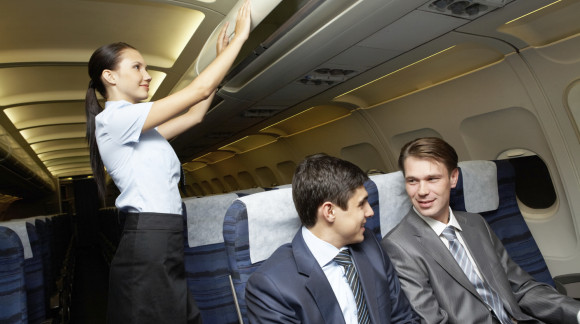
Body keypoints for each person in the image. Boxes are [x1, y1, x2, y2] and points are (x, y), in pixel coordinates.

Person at [84, 2, 251, 323]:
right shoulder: (114, 121)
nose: (146, 75)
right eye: (137, 67)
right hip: (148, 238)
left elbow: (196, 113)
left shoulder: (141, 129)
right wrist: (240, 39)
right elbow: (198, 89)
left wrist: (220, 61)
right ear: (110, 76)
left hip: (163, 236)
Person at [381, 137, 580, 324]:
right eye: (413, 181)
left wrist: (577, 313)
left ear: (453, 178)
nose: (422, 191)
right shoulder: (399, 246)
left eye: (432, 179)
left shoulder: (475, 223)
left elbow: (522, 288)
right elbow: (431, 320)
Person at [245, 153, 420, 324]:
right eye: (361, 204)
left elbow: (403, 317)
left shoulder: (370, 244)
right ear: (329, 212)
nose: (370, 212)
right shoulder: (270, 286)